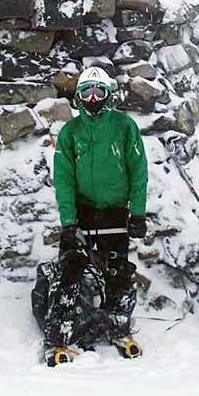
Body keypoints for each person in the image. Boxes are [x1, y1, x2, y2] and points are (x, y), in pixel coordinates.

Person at [41, 66, 149, 365]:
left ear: (108, 95)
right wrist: (69, 222)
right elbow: (63, 178)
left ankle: (118, 328)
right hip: (83, 212)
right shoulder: (70, 132)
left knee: (118, 272)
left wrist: (137, 214)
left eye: (98, 92)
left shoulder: (123, 126)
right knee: (71, 270)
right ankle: (59, 336)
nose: (92, 98)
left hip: (115, 211)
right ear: (78, 97)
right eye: (86, 92)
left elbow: (138, 171)